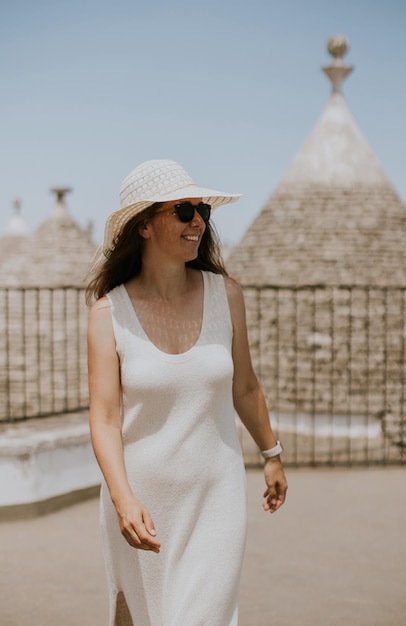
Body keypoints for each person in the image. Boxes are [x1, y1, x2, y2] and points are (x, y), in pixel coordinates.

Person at [87, 159, 288, 626]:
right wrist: (123, 500)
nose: (197, 220)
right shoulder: (107, 313)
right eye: (183, 210)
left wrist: (272, 453)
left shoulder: (227, 294)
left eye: (202, 211)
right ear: (143, 225)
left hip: (216, 497)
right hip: (142, 504)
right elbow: (105, 419)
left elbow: (245, 386)